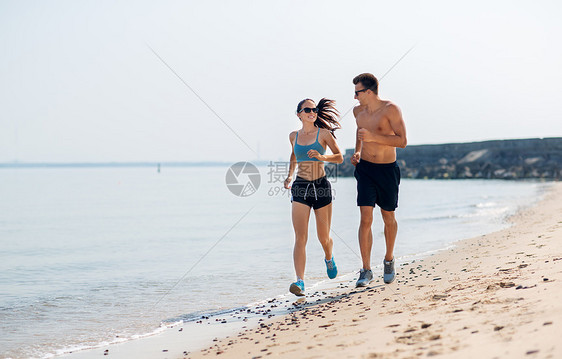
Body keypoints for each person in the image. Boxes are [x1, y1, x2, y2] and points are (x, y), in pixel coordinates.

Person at [350, 73, 407, 287]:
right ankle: (365, 270)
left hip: (386, 171)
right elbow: (359, 131)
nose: (355, 97)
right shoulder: (358, 112)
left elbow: (402, 141)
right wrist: (357, 151)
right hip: (365, 169)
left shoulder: (391, 109)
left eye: (357, 92)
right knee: (365, 218)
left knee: (388, 216)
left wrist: (374, 138)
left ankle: (389, 259)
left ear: (369, 92)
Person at [284, 98, 344, 296]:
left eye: (314, 109)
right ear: (299, 114)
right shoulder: (293, 136)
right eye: (307, 109)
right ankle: (300, 282)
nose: (312, 112)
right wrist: (289, 176)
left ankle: (328, 257)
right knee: (300, 237)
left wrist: (322, 157)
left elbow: (339, 156)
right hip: (300, 186)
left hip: (321, 186)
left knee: (323, 237)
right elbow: (294, 155)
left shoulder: (324, 134)